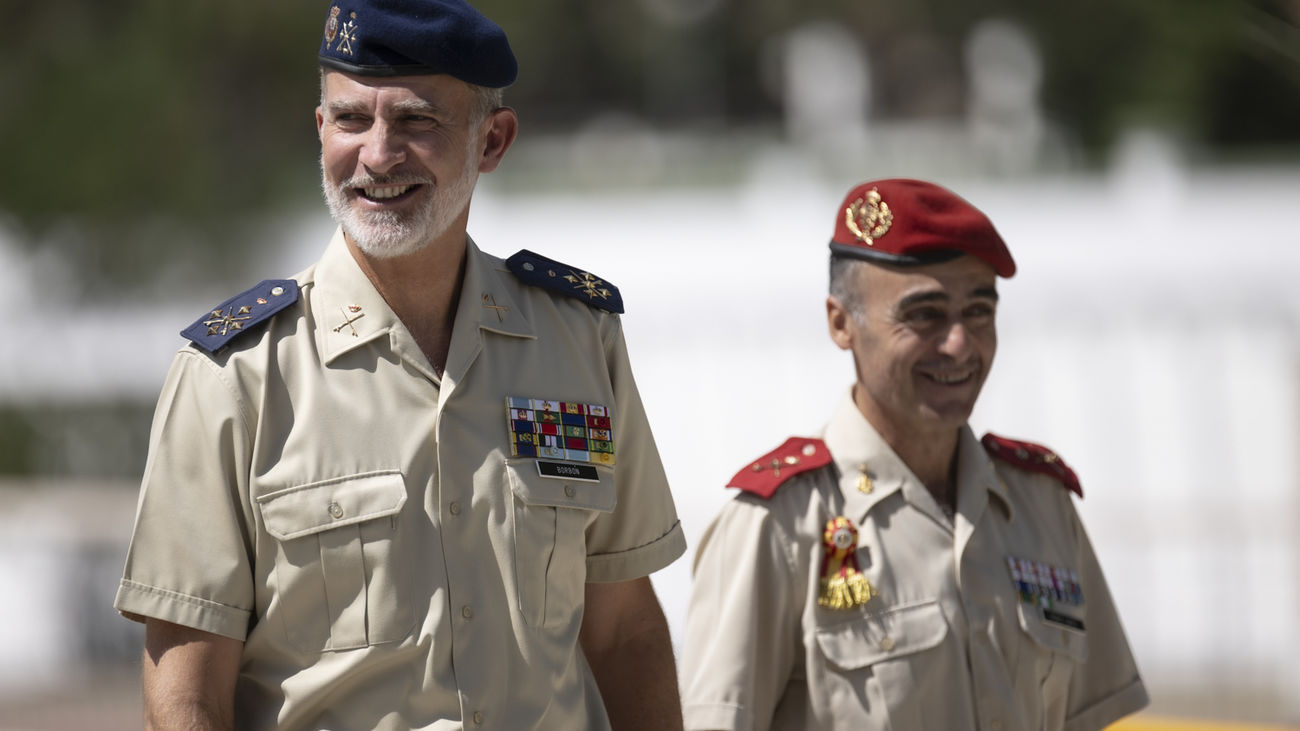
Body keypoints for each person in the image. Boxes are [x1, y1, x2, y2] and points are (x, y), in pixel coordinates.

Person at [113, 2, 686, 729]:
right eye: (351, 120)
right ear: (321, 130)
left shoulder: (577, 339)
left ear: (493, 140)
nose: (379, 156)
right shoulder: (235, 374)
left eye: (416, 121)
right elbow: (186, 686)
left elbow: (624, 628)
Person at [680, 179, 1148, 730]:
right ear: (841, 323)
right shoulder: (780, 525)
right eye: (924, 315)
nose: (959, 343)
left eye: (979, 311)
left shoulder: (1040, 504)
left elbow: (1089, 718)